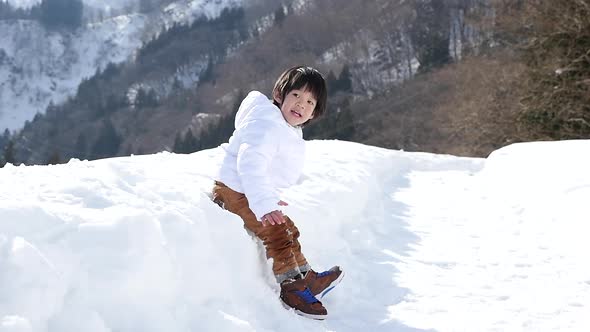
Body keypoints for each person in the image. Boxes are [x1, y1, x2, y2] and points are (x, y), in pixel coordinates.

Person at [212, 65, 344, 319]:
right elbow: (250, 164)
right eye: (296, 95)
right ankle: (291, 286)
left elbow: (265, 168)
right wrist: (264, 202)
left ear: (315, 111)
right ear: (279, 94)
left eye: (310, 102)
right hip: (233, 190)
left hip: (248, 190)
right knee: (276, 233)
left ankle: (306, 277)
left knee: (288, 229)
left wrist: (268, 193)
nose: (301, 105)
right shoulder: (267, 125)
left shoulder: (282, 126)